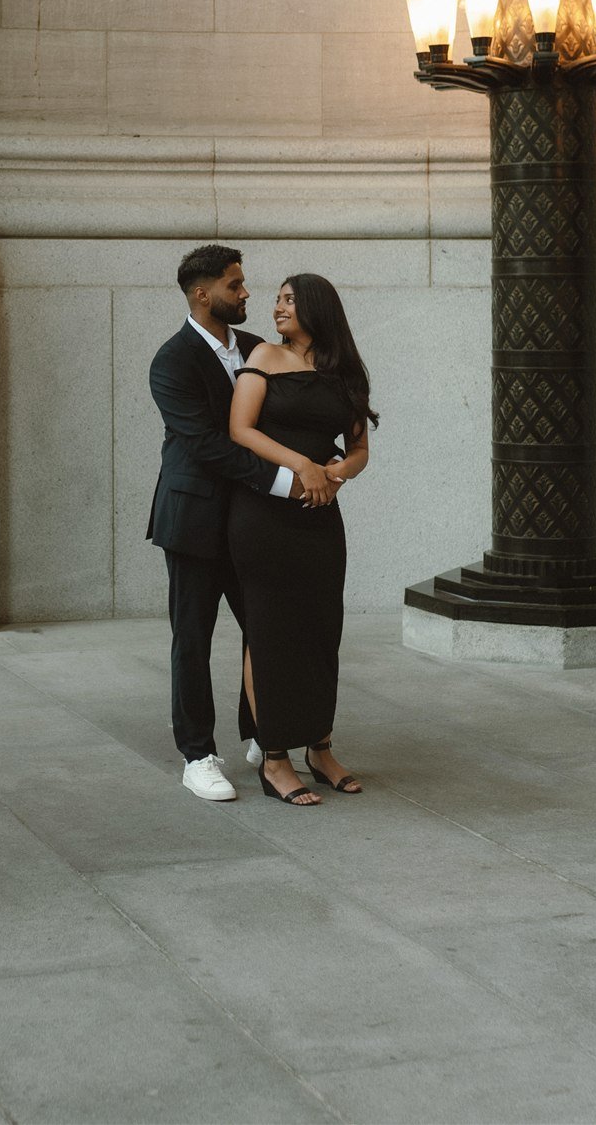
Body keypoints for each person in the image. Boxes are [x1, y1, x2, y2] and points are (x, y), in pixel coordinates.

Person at [146, 246, 334, 801]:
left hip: (256, 524)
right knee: (194, 639)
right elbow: (208, 444)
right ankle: (198, 755)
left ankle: (263, 737)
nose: (248, 294)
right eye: (236, 285)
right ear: (204, 295)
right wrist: (288, 480)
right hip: (195, 520)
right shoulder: (171, 361)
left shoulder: (258, 349)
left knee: (268, 629)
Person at [227, 273, 377, 806]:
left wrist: (336, 475)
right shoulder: (264, 357)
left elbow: (358, 449)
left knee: (320, 629)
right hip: (263, 515)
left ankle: (321, 748)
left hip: (319, 517)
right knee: (269, 630)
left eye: (289, 300)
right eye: (277, 300)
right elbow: (241, 429)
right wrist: (303, 466)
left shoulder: (346, 373)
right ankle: (274, 759)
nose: (277, 308)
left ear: (317, 306)